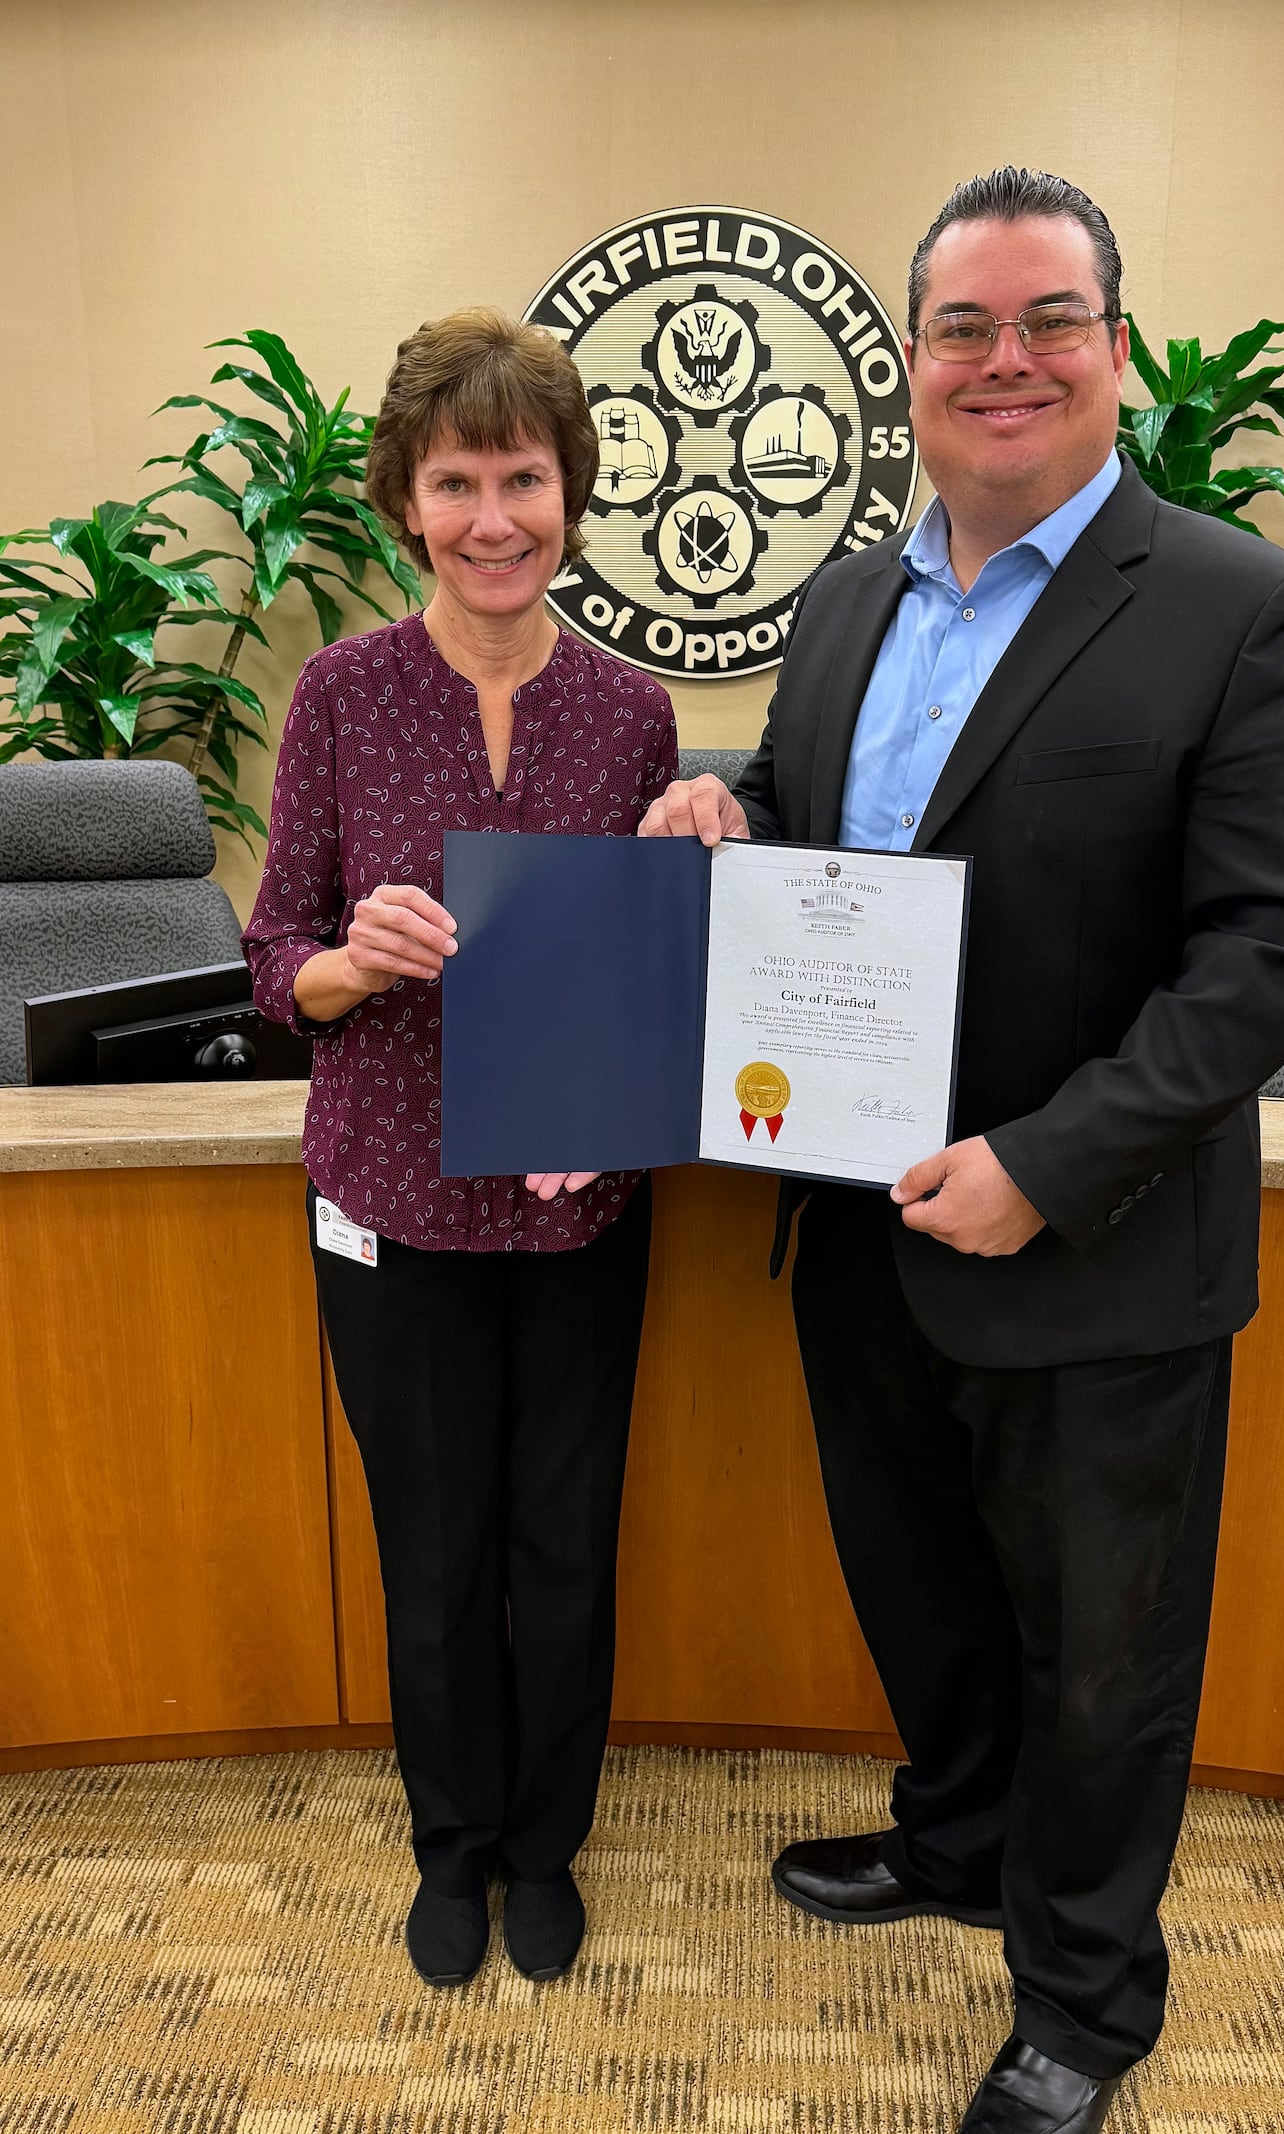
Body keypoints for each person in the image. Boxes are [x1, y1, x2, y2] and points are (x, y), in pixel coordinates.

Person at [641, 169, 1284, 2133]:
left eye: (1048, 318)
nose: (1004, 359)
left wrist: (1048, 1159)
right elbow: (828, 817)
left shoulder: (1239, 606)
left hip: (1087, 1241)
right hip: (858, 1217)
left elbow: (1281, 941)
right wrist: (729, 803)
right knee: (922, 1587)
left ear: (1113, 348)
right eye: (961, 326)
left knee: (1096, 1652)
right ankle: (954, 1840)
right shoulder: (850, 596)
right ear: (908, 366)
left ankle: (1082, 1996)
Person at [244, 308, 676, 1990]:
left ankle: (548, 1843)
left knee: (567, 1535)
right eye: (456, 480)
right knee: (432, 1543)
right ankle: (454, 1843)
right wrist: (354, 957)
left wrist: (623, 1100)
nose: (495, 515)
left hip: (580, 1208)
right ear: (405, 502)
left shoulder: (633, 713)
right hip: (391, 1200)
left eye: (524, 476)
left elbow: (648, 962)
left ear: (569, 489)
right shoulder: (341, 696)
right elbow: (272, 959)